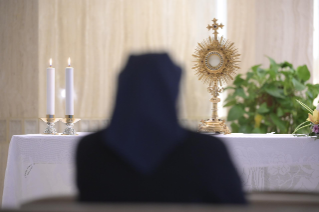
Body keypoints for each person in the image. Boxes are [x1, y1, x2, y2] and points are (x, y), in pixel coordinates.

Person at [76, 53, 246, 204]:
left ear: (123, 86)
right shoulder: (207, 150)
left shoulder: (90, 149)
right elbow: (234, 204)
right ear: (171, 89)